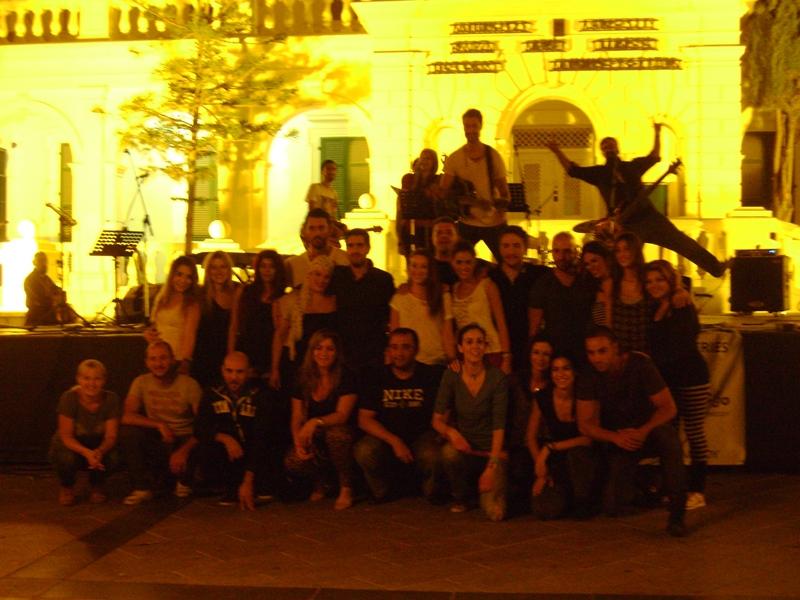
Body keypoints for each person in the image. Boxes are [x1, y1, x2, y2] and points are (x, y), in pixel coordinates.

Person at [548, 123, 726, 277]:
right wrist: (556, 151)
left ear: (617, 149)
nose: (609, 149)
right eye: (605, 147)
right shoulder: (599, 173)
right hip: (625, 226)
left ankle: (716, 268)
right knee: (625, 263)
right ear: (602, 152)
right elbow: (573, 171)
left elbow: (654, 156)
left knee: (682, 242)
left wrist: (657, 133)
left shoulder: (632, 167)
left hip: (649, 218)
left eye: (611, 146)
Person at [576, 326, 689, 537]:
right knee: (612, 506)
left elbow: (668, 407)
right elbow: (584, 424)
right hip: (620, 438)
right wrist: (615, 437)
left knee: (669, 438)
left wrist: (644, 430)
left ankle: (677, 513)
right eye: (591, 353)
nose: (596, 358)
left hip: (648, 431)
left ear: (615, 347)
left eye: (602, 351)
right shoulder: (589, 374)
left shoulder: (639, 365)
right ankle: (646, 482)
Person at [645, 260, 711, 510]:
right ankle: (674, 486)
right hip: (667, 381)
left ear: (670, 280)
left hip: (690, 377)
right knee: (670, 436)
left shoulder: (681, 304)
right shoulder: (654, 307)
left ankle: (697, 490)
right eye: (649, 281)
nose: (653, 285)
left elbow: (682, 345)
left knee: (694, 432)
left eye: (659, 280)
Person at [354, 328, 445, 503]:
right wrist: (395, 441)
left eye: (405, 347)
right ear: (388, 350)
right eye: (394, 347)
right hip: (387, 438)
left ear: (416, 350)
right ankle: (382, 492)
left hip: (422, 436)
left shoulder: (430, 375)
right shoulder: (377, 376)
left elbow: (444, 410)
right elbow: (364, 419)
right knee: (364, 450)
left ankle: (431, 492)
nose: (399, 353)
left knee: (432, 455)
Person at [433, 324, 509, 521]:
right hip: (465, 449)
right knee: (448, 453)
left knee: (495, 512)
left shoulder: (497, 378)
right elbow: (436, 420)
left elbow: (499, 426)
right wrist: (451, 432)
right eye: (469, 342)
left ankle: (487, 490)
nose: (475, 346)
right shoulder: (452, 375)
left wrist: (492, 465)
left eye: (479, 342)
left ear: (485, 346)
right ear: (460, 347)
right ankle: (463, 496)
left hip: (491, 451)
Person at [194, 352, 283, 509]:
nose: (233, 377)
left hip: (256, 449)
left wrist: (248, 480)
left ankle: (257, 483)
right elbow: (200, 428)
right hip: (230, 451)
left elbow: (262, 437)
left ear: (249, 372)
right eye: (229, 371)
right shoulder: (212, 392)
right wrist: (225, 439)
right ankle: (230, 486)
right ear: (222, 370)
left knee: (270, 445)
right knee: (206, 448)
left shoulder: (262, 394)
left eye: (239, 372)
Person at [119, 341, 202, 505]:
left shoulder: (189, 384)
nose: (158, 364)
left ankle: (185, 480)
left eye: (163, 358)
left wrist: (184, 451)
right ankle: (143, 488)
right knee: (129, 433)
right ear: (147, 362)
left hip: (185, 440)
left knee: (198, 448)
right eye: (153, 359)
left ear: (173, 359)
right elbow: (127, 416)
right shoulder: (141, 382)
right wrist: (159, 425)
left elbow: (205, 424)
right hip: (161, 439)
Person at [284, 330, 357, 510]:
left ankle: (346, 487)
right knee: (293, 461)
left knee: (337, 435)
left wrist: (315, 422)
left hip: (340, 430)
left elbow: (342, 415)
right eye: (319, 348)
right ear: (311, 351)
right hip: (314, 435)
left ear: (337, 352)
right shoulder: (302, 377)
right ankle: (322, 480)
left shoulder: (346, 375)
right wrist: (298, 440)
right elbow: (297, 416)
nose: (323, 353)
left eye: (329, 349)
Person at [527, 352, 596, 520]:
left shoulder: (584, 396)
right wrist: (541, 468)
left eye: (566, 369)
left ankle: (582, 500)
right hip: (557, 460)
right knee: (542, 511)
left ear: (574, 372)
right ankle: (565, 497)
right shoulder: (543, 397)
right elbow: (530, 437)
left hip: (584, 459)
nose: (561, 374)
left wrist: (549, 448)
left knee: (578, 456)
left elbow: (588, 438)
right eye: (555, 369)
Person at [438, 108, 511, 262]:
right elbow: (443, 192)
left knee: (506, 262)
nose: (470, 130)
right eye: (467, 126)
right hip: (467, 222)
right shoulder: (455, 158)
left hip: (494, 222)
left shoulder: (493, 156)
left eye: (474, 126)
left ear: (480, 127)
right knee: (458, 261)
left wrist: (502, 204)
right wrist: (459, 200)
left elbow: (505, 193)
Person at [49, 360, 122, 506]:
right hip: (72, 446)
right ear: (78, 379)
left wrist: (99, 452)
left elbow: (111, 436)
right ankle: (67, 486)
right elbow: (66, 437)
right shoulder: (68, 398)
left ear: (104, 380)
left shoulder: (112, 399)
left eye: (97, 378)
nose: (91, 383)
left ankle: (97, 484)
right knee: (65, 457)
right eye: (86, 378)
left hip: (97, 444)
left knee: (114, 456)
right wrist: (87, 453)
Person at [330, 228, 395, 372]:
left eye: (359, 245)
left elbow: (393, 316)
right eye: (351, 246)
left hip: (375, 353)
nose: (355, 250)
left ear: (368, 248)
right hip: (343, 354)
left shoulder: (383, 280)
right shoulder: (337, 276)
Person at [271, 254, 337, 390]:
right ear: (309, 275)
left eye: (326, 277)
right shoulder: (294, 300)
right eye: (317, 274)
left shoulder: (335, 301)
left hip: (325, 365)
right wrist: (275, 369)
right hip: (297, 363)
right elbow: (280, 336)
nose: (321, 280)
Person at [489, 225, 550, 373]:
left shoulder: (537, 274)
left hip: (529, 345)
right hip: (499, 347)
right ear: (499, 249)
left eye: (516, 246)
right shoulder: (491, 276)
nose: (511, 252)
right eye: (506, 246)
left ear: (525, 248)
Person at [528, 232, 594, 366]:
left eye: (567, 251)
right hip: (555, 352)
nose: (561, 256)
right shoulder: (543, 284)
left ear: (576, 252)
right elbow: (534, 328)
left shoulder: (586, 280)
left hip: (584, 351)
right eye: (557, 251)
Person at [505, 335, 553, 511]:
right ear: (529, 354)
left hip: (547, 445)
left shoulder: (556, 382)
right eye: (536, 352)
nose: (541, 358)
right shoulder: (515, 381)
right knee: (519, 472)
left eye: (546, 354)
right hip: (519, 445)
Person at [451, 240, 512, 374]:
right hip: (466, 352)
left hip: (490, 350)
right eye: (459, 262)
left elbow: (501, 323)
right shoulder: (454, 288)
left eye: (468, 262)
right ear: (452, 263)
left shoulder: (487, 286)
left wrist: (506, 357)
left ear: (475, 262)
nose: (463, 267)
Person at [389, 249, 456, 366]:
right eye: (414, 265)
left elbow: (447, 335)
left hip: (437, 361)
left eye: (423, 267)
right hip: (409, 364)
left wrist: (453, 360)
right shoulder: (399, 299)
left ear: (430, 270)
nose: (418, 271)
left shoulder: (442, 296)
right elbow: (394, 336)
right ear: (408, 268)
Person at [229, 250, 288, 379]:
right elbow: (233, 326)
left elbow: (279, 335)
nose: (267, 270)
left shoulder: (282, 298)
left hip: (268, 354)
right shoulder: (244, 292)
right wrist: (231, 356)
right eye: (263, 266)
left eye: (271, 266)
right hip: (245, 351)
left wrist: (274, 368)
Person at [145, 256, 202, 372]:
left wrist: (185, 362)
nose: (183, 280)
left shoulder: (191, 304)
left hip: (176, 360)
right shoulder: (162, 297)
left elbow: (190, 335)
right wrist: (148, 333)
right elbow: (154, 324)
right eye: (179, 274)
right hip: (157, 359)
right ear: (172, 275)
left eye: (188, 277)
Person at [192, 251, 240, 388]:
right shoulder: (200, 294)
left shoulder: (238, 290)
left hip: (230, 356)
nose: (218, 271)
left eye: (223, 267)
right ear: (208, 270)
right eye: (214, 267)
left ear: (229, 269)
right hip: (204, 357)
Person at [285, 209, 350, 289]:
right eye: (312, 228)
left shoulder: (345, 260)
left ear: (330, 230)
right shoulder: (293, 265)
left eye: (321, 228)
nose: (317, 233)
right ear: (305, 231)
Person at [611, 232, 652, 354]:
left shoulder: (648, 277)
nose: (622, 254)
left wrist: (679, 289)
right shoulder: (614, 282)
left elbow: (670, 276)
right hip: (621, 354)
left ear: (636, 250)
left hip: (647, 352)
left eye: (626, 249)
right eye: (618, 250)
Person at [398, 148, 439, 255]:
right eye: (422, 158)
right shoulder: (409, 179)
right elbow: (401, 206)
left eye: (428, 158)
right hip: (410, 226)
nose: (424, 160)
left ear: (434, 162)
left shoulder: (438, 180)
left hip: (429, 227)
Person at [581, 240, 615, 327]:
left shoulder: (620, 282)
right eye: (587, 264)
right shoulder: (592, 289)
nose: (591, 267)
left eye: (594, 261)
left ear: (605, 258)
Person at [24, 251, 62, 326]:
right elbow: (40, 297)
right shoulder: (30, 280)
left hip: (48, 317)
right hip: (36, 318)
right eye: (41, 261)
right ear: (34, 262)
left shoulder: (46, 279)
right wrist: (54, 297)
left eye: (45, 261)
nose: (44, 264)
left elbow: (56, 290)